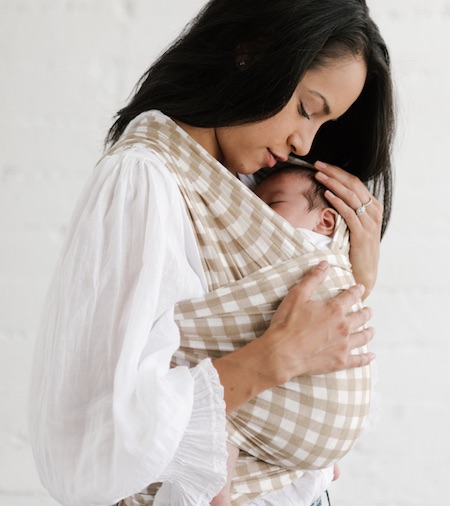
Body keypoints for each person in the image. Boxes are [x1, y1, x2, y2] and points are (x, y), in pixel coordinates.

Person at [28, 1, 395, 506]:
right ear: (253, 54)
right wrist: (274, 358)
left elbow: (305, 346)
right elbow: (95, 437)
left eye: (322, 126)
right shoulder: (145, 179)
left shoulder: (249, 186)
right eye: (306, 109)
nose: (303, 142)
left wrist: (355, 280)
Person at [211, 164, 341, 506]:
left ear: (324, 222)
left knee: (222, 421)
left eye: (273, 205)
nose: (258, 213)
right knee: (218, 420)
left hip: (304, 363)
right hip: (265, 363)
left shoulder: (318, 250)